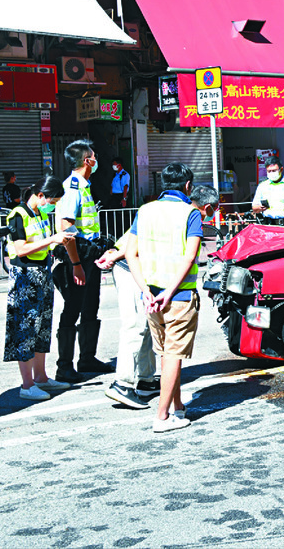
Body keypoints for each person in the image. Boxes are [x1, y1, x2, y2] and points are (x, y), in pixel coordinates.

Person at [126, 164, 216, 433]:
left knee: (166, 355)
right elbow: (190, 257)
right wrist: (168, 292)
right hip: (178, 296)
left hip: (152, 297)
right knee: (173, 355)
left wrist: (146, 291)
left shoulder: (145, 210)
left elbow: (131, 253)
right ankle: (162, 416)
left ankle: (178, 408)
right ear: (188, 186)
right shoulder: (190, 213)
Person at [5, 176, 76, 401]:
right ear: (41, 195)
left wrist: (57, 241)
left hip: (42, 273)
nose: (53, 206)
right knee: (26, 327)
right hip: (25, 276)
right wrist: (51, 240)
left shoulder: (40, 213)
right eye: (53, 201)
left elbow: (42, 242)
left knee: (42, 326)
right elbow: (21, 248)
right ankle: (27, 384)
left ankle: (41, 377)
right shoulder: (18, 214)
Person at [54, 139, 112, 383]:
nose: (97, 161)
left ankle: (87, 357)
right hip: (76, 260)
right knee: (73, 309)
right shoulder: (72, 188)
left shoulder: (85, 186)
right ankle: (64, 366)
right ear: (88, 161)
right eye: (94, 157)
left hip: (89, 256)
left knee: (91, 306)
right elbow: (67, 228)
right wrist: (76, 265)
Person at [95, 232, 159, 410]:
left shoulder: (160, 209)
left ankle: (146, 379)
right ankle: (122, 384)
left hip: (132, 266)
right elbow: (135, 243)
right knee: (135, 326)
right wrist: (113, 256)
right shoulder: (168, 211)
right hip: (129, 268)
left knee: (145, 325)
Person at [251, 158, 284, 226]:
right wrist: (259, 207)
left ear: (281, 170)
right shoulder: (262, 186)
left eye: (274, 170)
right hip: (269, 225)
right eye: (269, 171)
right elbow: (254, 207)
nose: (271, 173)